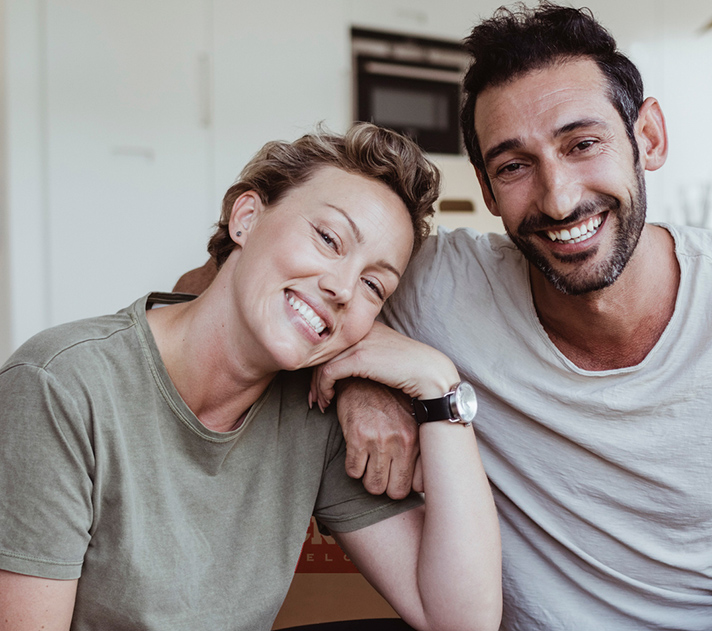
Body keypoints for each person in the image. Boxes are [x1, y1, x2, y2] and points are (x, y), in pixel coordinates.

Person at [179, 5, 712, 630]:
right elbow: (214, 291)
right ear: (486, 188)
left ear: (648, 137)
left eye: (583, 144)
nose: (557, 199)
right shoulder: (442, 280)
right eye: (515, 165)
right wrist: (357, 364)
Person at [0, 124, 502, 631]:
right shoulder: (59, 385)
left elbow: (461, 621)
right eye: (329, 239)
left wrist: (440, 386)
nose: (343, 288)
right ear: (246, 218)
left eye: (375, 284)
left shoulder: (315, 411)